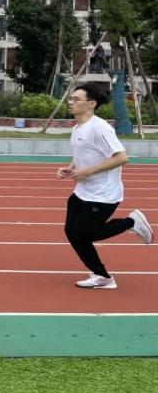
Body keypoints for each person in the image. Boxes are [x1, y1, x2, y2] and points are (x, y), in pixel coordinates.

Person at [57, 82, 152, 290]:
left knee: (84, 233)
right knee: (72, 232)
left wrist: (86, 172)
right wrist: (71, 167)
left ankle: (130, 222)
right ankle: (102, 277)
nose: (70, 102)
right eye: (71, 98)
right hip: (83, 192)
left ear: (91, 103)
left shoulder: (100, 128)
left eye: (76, 99)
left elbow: (121, 158)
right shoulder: (78, 127)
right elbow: (84, 153)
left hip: (103, 195)